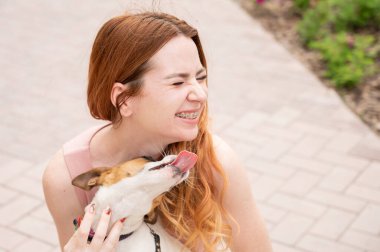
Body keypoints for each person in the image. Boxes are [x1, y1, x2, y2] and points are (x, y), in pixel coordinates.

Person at [43, 11, 272, 252]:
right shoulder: (68, 177)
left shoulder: (214, 159)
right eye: (177, 82)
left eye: (200, 77)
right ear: (124, 100)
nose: (201, 94)